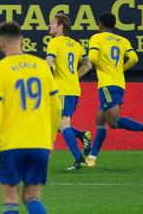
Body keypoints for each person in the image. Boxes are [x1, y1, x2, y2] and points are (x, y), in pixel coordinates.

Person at [0, 21, 61, 214]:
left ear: (0, 42)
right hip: (39, 143)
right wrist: (50, 140)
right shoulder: (42, 66)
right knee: (32, 197)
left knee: (11, 200)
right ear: (22, 40)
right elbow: (56, 107)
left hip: (11, 144)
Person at [85, 12, 143, 168]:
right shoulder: (123, 40)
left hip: (107, 84)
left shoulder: (97, 38)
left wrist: (87, 64)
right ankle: (92, 158)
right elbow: (134, 58)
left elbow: (93, 58)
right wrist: (121, 68)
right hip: (119, 82)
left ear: (100, 25)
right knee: (100, 120)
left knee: (113, 121)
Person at [45, 13, 93, 170]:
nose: (49, 25)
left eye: (52, 23)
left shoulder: (54, 42)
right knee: (55, 123)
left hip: (62, 89)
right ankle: (82, 135)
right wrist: (74, 77)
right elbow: (88, 64)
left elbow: (48, 63)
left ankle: (79, 159)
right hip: (73, 89)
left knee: (63, 125)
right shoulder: (76, 44)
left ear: (61, 26)